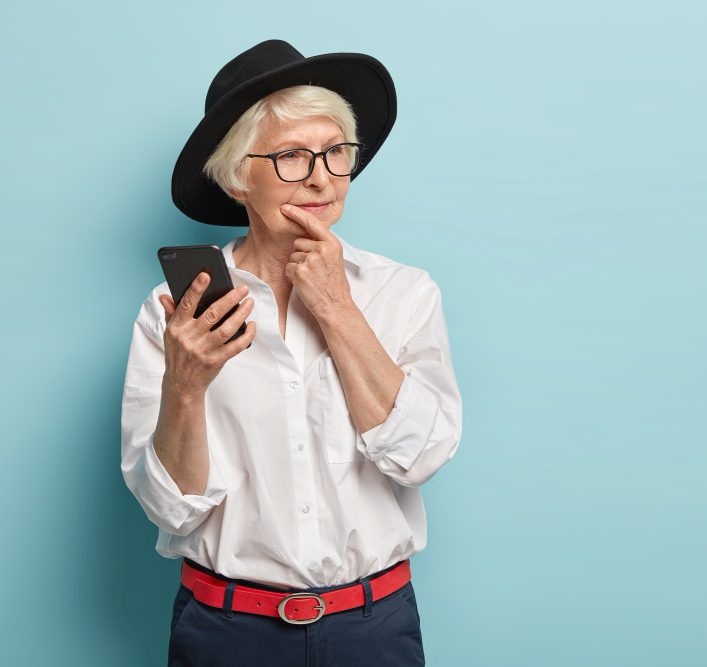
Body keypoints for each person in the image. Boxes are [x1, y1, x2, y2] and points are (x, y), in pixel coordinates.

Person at [120, 39, 462, 666]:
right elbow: (170, 507)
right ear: (235, 176)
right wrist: (186, 385)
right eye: (290, 156)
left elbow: (419, 457)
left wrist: (336, 308)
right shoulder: (173, 315)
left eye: (335, 152)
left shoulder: (402, 292)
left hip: (373, 627)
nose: (321, 177)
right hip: (226, 631)